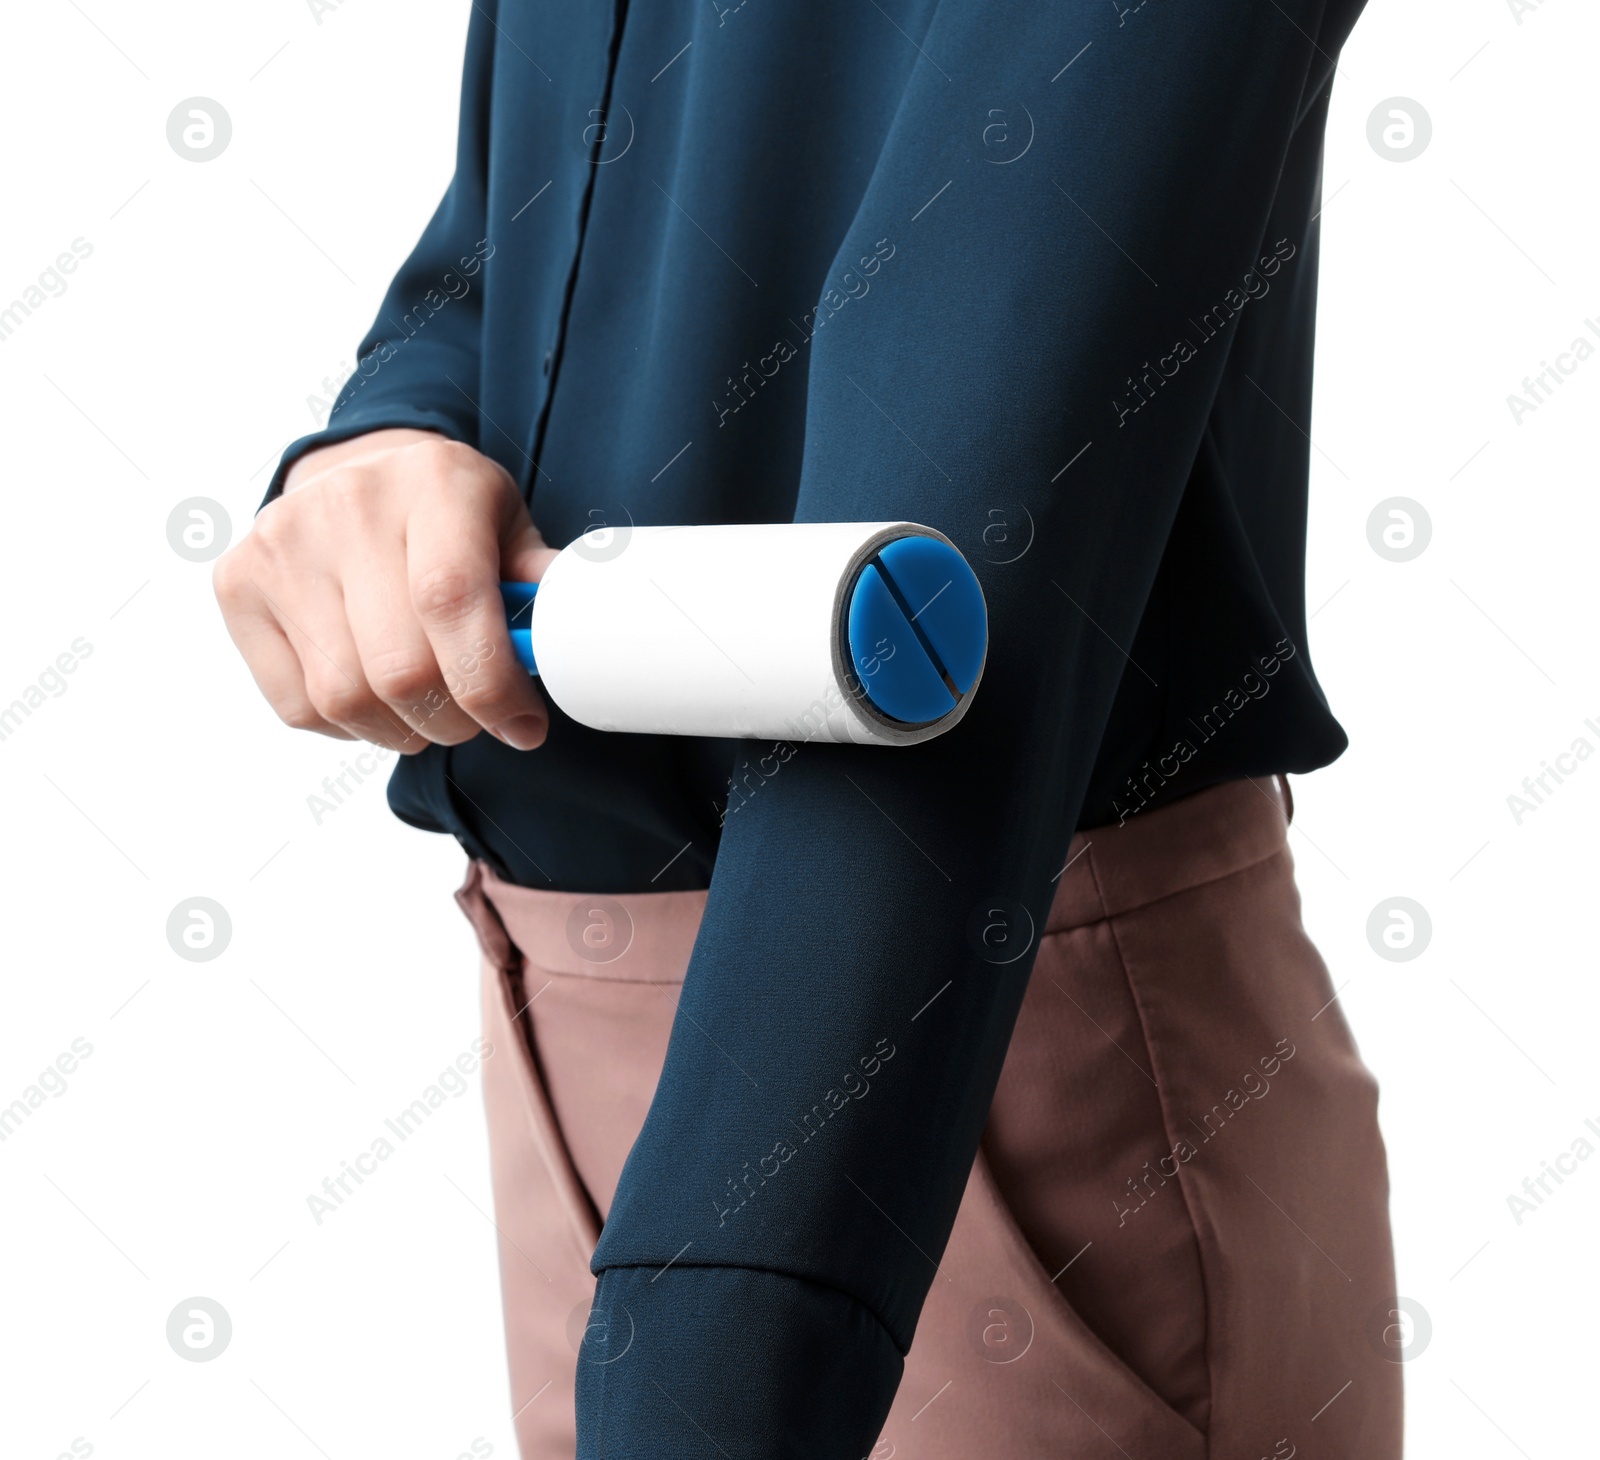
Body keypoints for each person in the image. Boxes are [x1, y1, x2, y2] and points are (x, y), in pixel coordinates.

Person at [214, 1, 1400, 1455]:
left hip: (952, 1050)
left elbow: (983, 450)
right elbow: (553, 210)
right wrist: (395, 431)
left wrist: (711, 1356)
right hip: (565, 1038)